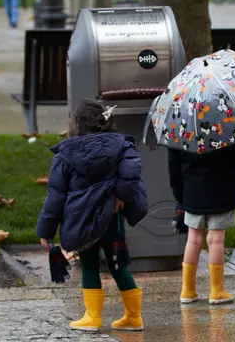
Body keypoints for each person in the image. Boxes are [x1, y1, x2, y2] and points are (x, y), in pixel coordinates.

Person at [37, 100, 149, 332]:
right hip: (113, 217)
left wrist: (45, 230)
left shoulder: (65, 154)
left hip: (82, 219)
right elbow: (131, 174)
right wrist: (121, 195)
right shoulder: (123, 146)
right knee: (118, 265)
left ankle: (92, 317)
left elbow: (55, 197)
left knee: (89, 265)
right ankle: (133, 316)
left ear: (77, 124)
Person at [168, 141, 235, 305]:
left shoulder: (180, 132)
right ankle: (217, 291)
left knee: (193, 240)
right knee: (216, 240)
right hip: (223, 193)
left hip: (192, 194)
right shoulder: (226, 126)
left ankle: (187, 290)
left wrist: (180, 197)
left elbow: (174, 169)